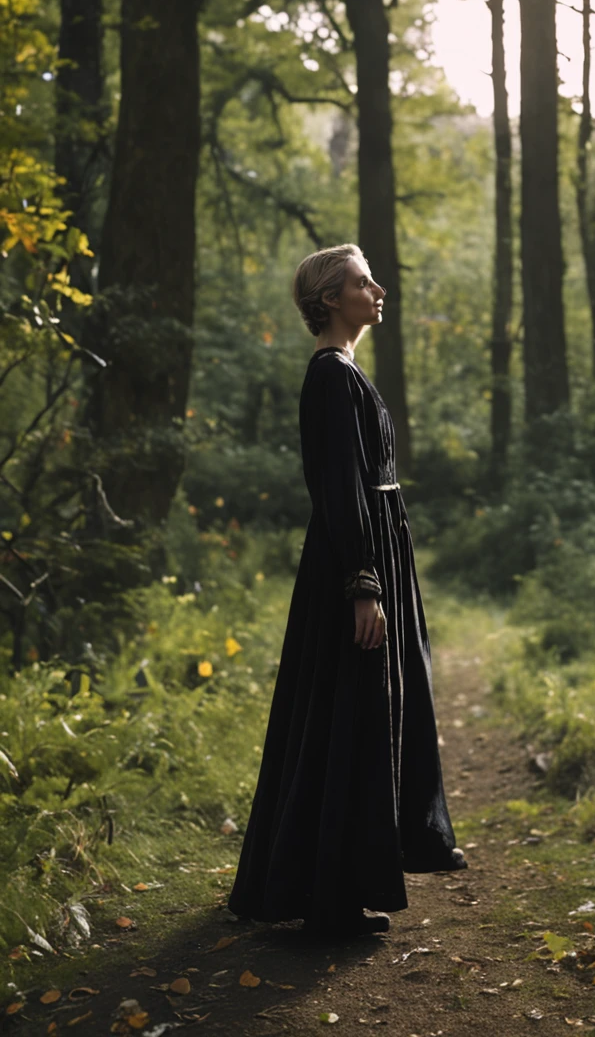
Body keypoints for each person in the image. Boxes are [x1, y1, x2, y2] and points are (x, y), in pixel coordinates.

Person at [227, 243, 466, 936]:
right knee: (347, 717)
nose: (379, 288)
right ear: (333, 298)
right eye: (365, 282)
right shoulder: (331, 377)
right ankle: (327, 900)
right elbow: (339, 488)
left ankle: (344, 882)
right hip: (353, 563)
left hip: (375, 552)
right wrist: (363, 582)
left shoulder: (347, 373)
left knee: (368, 712)